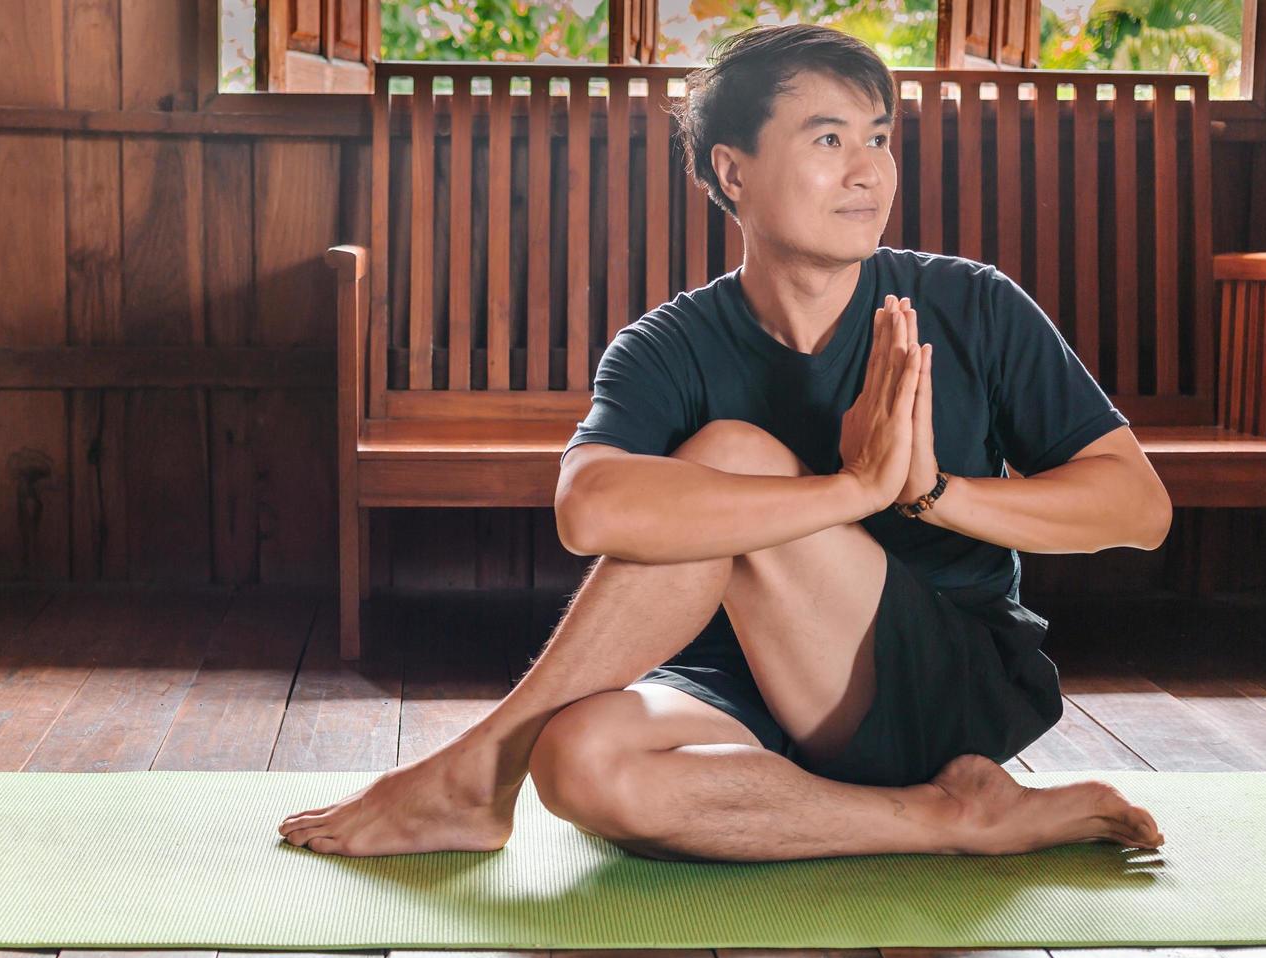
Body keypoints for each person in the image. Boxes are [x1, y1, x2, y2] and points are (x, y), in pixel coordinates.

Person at [277, 23, 1172, 862]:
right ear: (732, 172)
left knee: (732, 457)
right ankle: (946, 819)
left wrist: (932, 492)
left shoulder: (972, 305)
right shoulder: (668, 343)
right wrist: (853, 488)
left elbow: (1138, 509)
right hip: (745, 677)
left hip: (947, 682)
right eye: (829, 141)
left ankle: (477, 769)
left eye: (879, 137)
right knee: (579, 764)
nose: (870, 172)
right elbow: (591, 511)